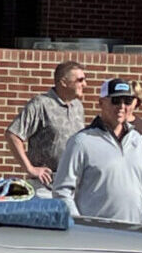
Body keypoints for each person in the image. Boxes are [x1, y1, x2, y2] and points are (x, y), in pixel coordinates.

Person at [51, 78, 142, 225]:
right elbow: (62, 191)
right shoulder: (81, 142)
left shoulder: (138, 141)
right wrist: (81, 226)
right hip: (97, 237)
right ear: (101, 103)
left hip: (135, 236)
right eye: (115, 100)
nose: (121, 106)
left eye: (127, 101)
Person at [5, 60, 86, 196]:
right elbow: (13, 134)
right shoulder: (41, 104)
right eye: (80, 80)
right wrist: (30, 169)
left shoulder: (78, 107)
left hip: (72, 186)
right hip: (45, 187)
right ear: (63, 82)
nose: (85, 84)